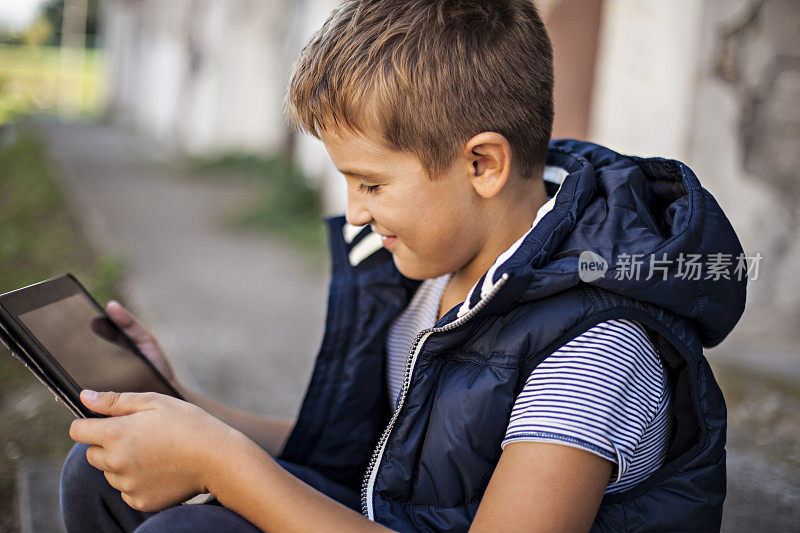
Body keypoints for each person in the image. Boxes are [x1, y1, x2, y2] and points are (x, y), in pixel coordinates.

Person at [60, 1, 746, 531]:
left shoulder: (594, 348)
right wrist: (187, 408)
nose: (355, 213)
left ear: (482, 164)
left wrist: (220, 461)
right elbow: (369, 459)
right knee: (98, 472)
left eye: (371, 183)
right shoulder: (441, 263)